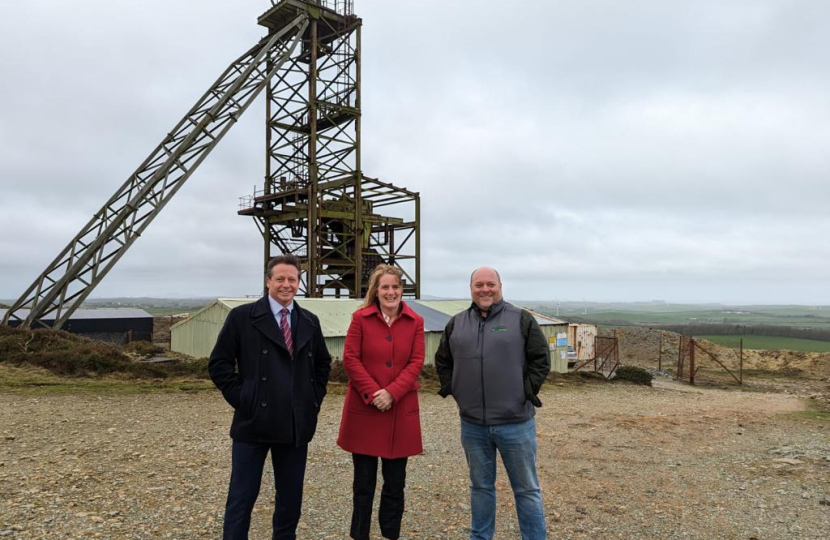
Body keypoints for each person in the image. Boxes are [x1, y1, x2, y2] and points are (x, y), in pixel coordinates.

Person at [209, 254, 332, 540]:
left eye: (292, 279)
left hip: (295, 423)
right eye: (280, 279)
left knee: (290, 498)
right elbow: (219, 364)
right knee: (242, 497)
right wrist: (245, 398)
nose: (286, 285)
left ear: (299, 282)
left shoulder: (309, 321)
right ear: (268, 281)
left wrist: (312, 401)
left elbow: (322, 364)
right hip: (253, 422)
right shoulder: (243, 317)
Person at [434, 266, 550, 540]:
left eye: (490, 284)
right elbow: (443, 361)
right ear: (471, 289)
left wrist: (525, 391)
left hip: (516, 423)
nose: (485, 290)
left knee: (526, 489)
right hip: (473, 425)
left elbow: (540, 358)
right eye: (479, 285)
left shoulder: (521, 319)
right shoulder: (457, 323)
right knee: (480, 488)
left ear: (500, 286)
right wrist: (456, 390)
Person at [337, 264, 425, 540]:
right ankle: (359, 534)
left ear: (402, 290)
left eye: (395, 287)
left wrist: (392, 393)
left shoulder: (415, 321)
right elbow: (351, 359)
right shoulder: (360, 319)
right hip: (366, 409)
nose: (391, 292)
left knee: (395, 484)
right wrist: (375, 393)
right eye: (385, 287)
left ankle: (390, 534)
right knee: (363, 485)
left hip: (399, 409)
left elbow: (416, 362)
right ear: (376, 291)